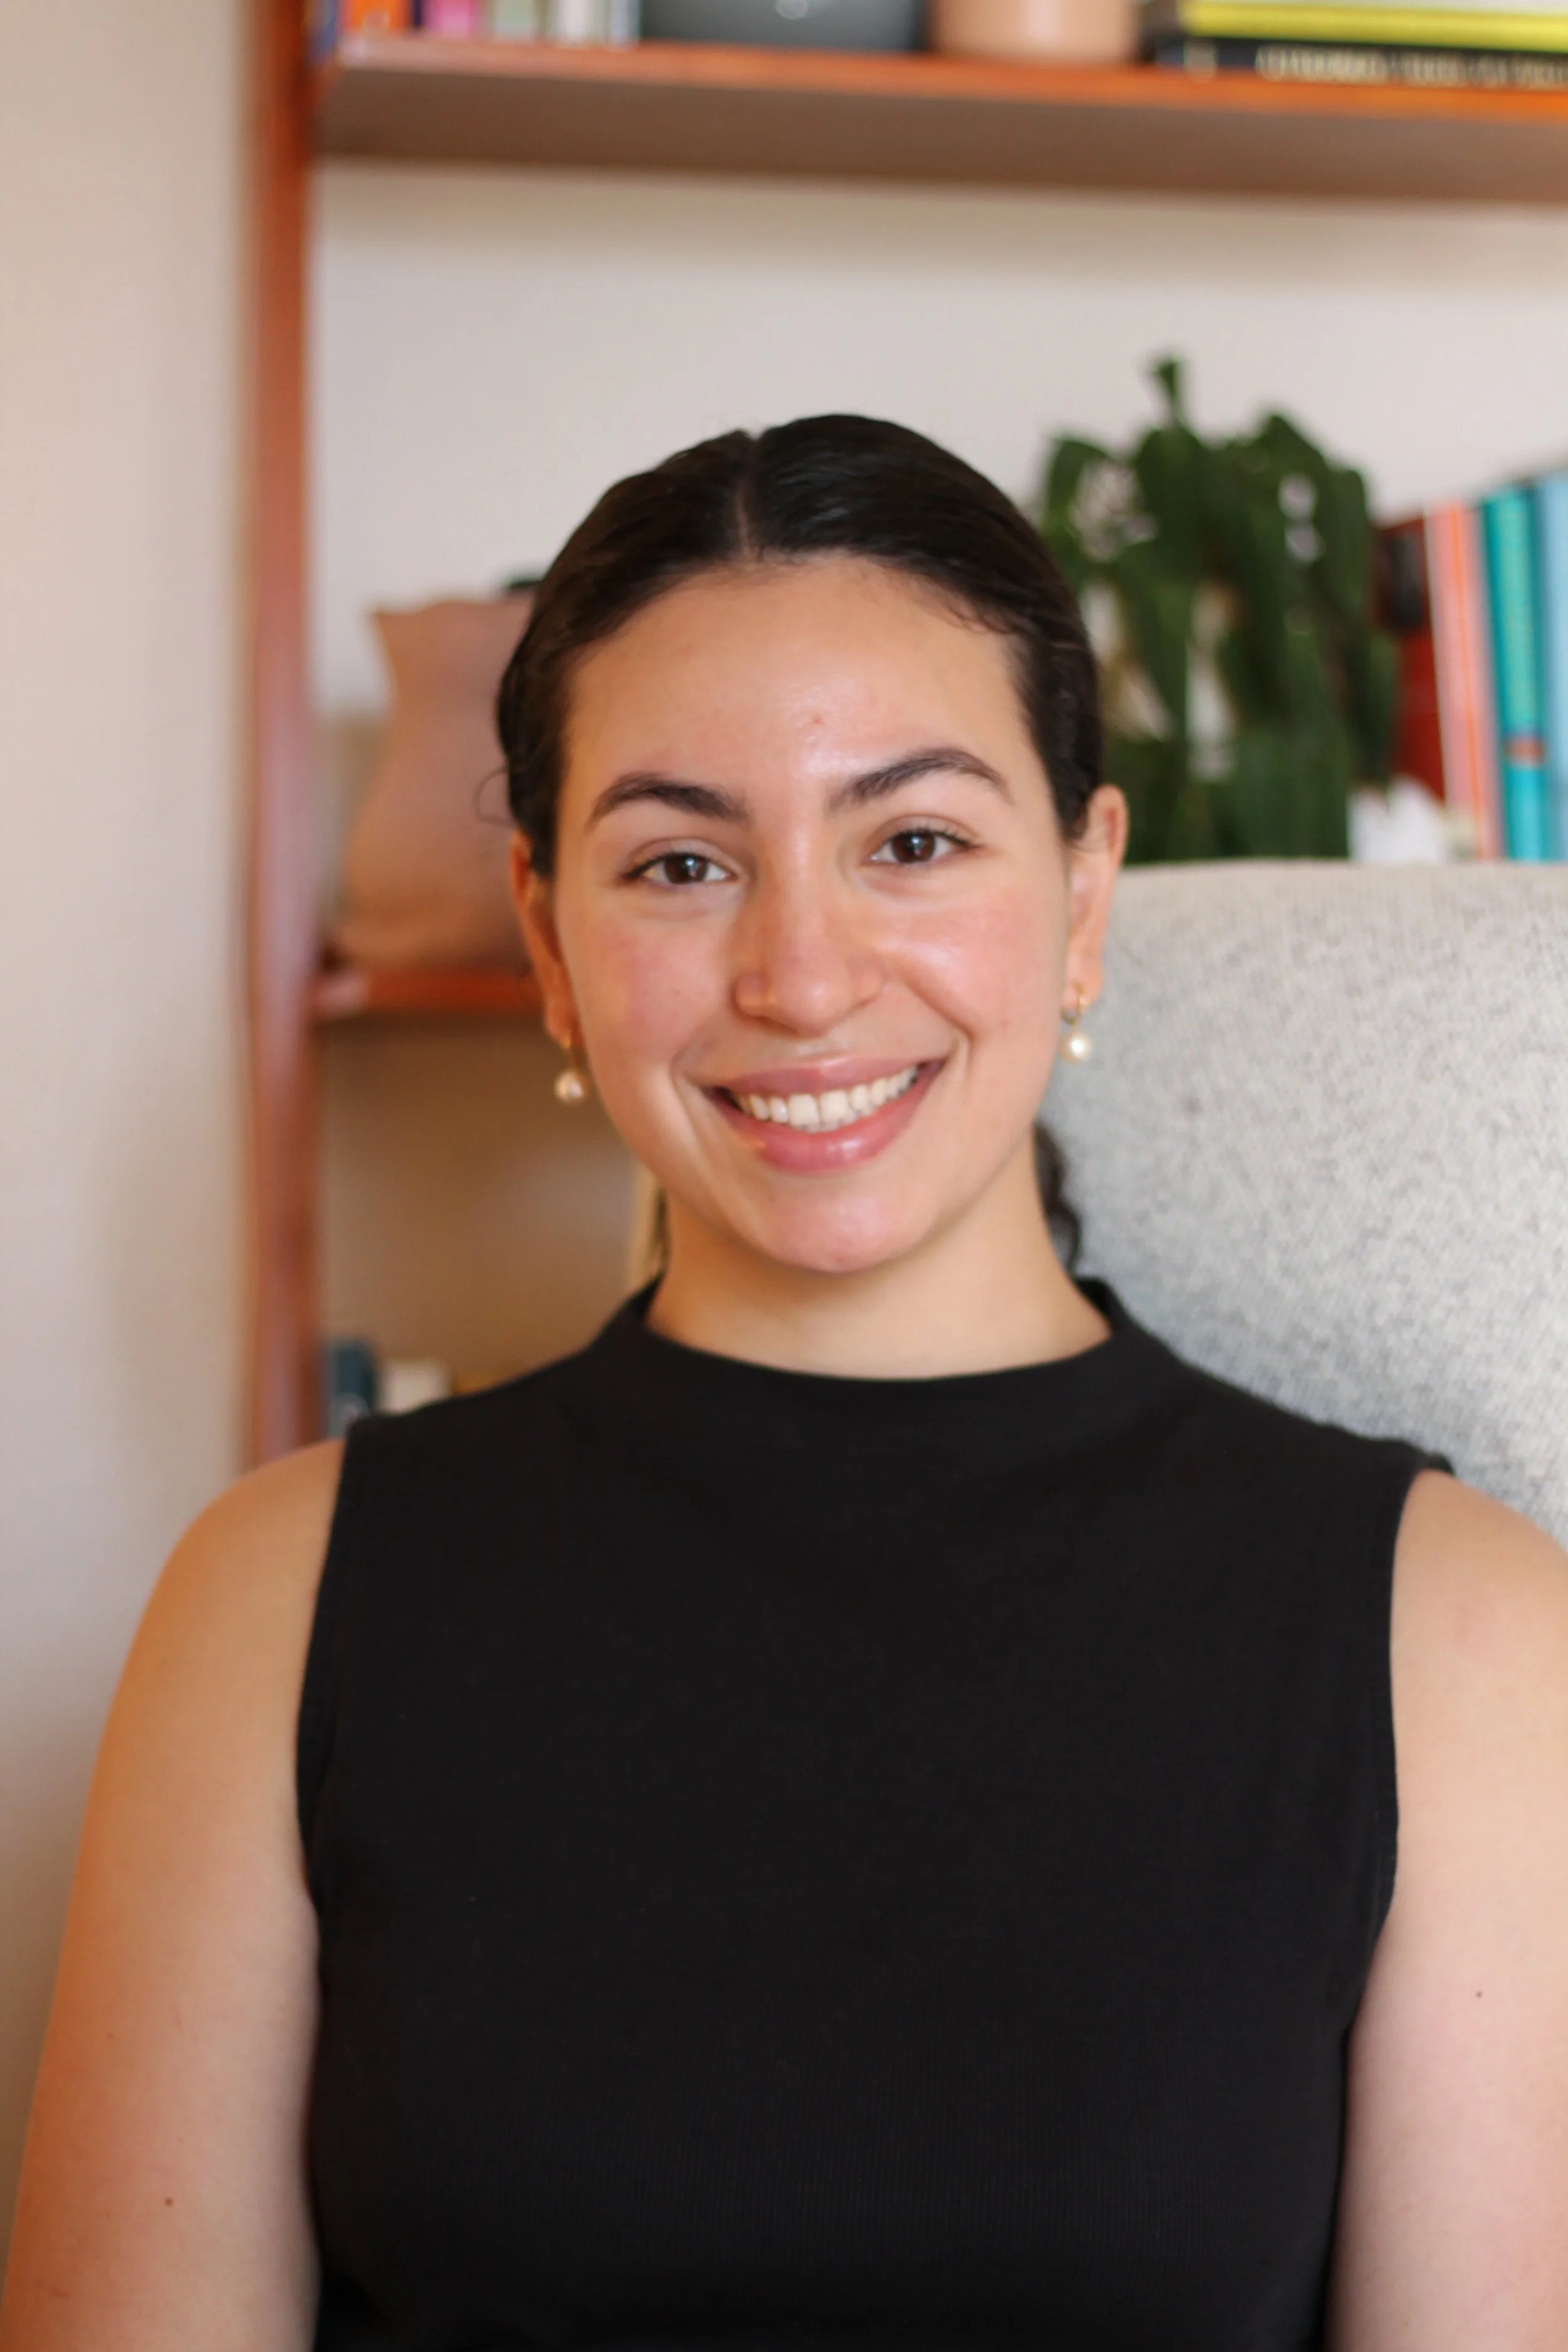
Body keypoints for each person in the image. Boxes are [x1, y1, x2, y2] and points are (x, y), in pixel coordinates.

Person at [3, 416, 1566, 2352]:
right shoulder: (274, 1598)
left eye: (911, 840)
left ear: (1082, 898)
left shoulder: (1457, 1637)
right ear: (550, 952)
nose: (803, 975)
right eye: (678, 861)